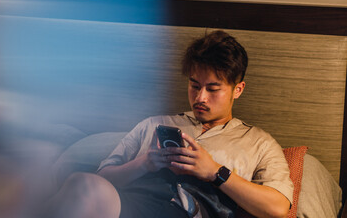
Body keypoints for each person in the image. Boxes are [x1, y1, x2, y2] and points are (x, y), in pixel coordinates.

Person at [47, 30, 293, 218]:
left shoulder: (258, 142)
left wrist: (214, 172)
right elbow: (105, 177)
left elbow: (278, 207)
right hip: (127, 204)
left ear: (237, 89)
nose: (200, 98)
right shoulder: (154, 124)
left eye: (212, 89)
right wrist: (144, 163)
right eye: (194, 85)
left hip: (188, 209)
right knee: (83, 184)